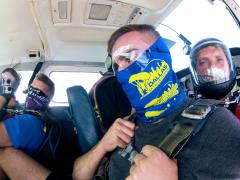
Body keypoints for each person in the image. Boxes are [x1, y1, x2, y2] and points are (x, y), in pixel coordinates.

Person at [105, 24, 240, 180]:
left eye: (129, 57)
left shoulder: (219, 125)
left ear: (159, 54)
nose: (121, 70)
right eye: (116, 65)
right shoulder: (126, 126)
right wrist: (102, 146)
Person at [0, 73, 55, 179]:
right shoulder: (26, 114)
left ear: (47, 101)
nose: (31, 95)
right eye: (31, 90)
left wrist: (3, 98)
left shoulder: (29, 122)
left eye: (38, 93)